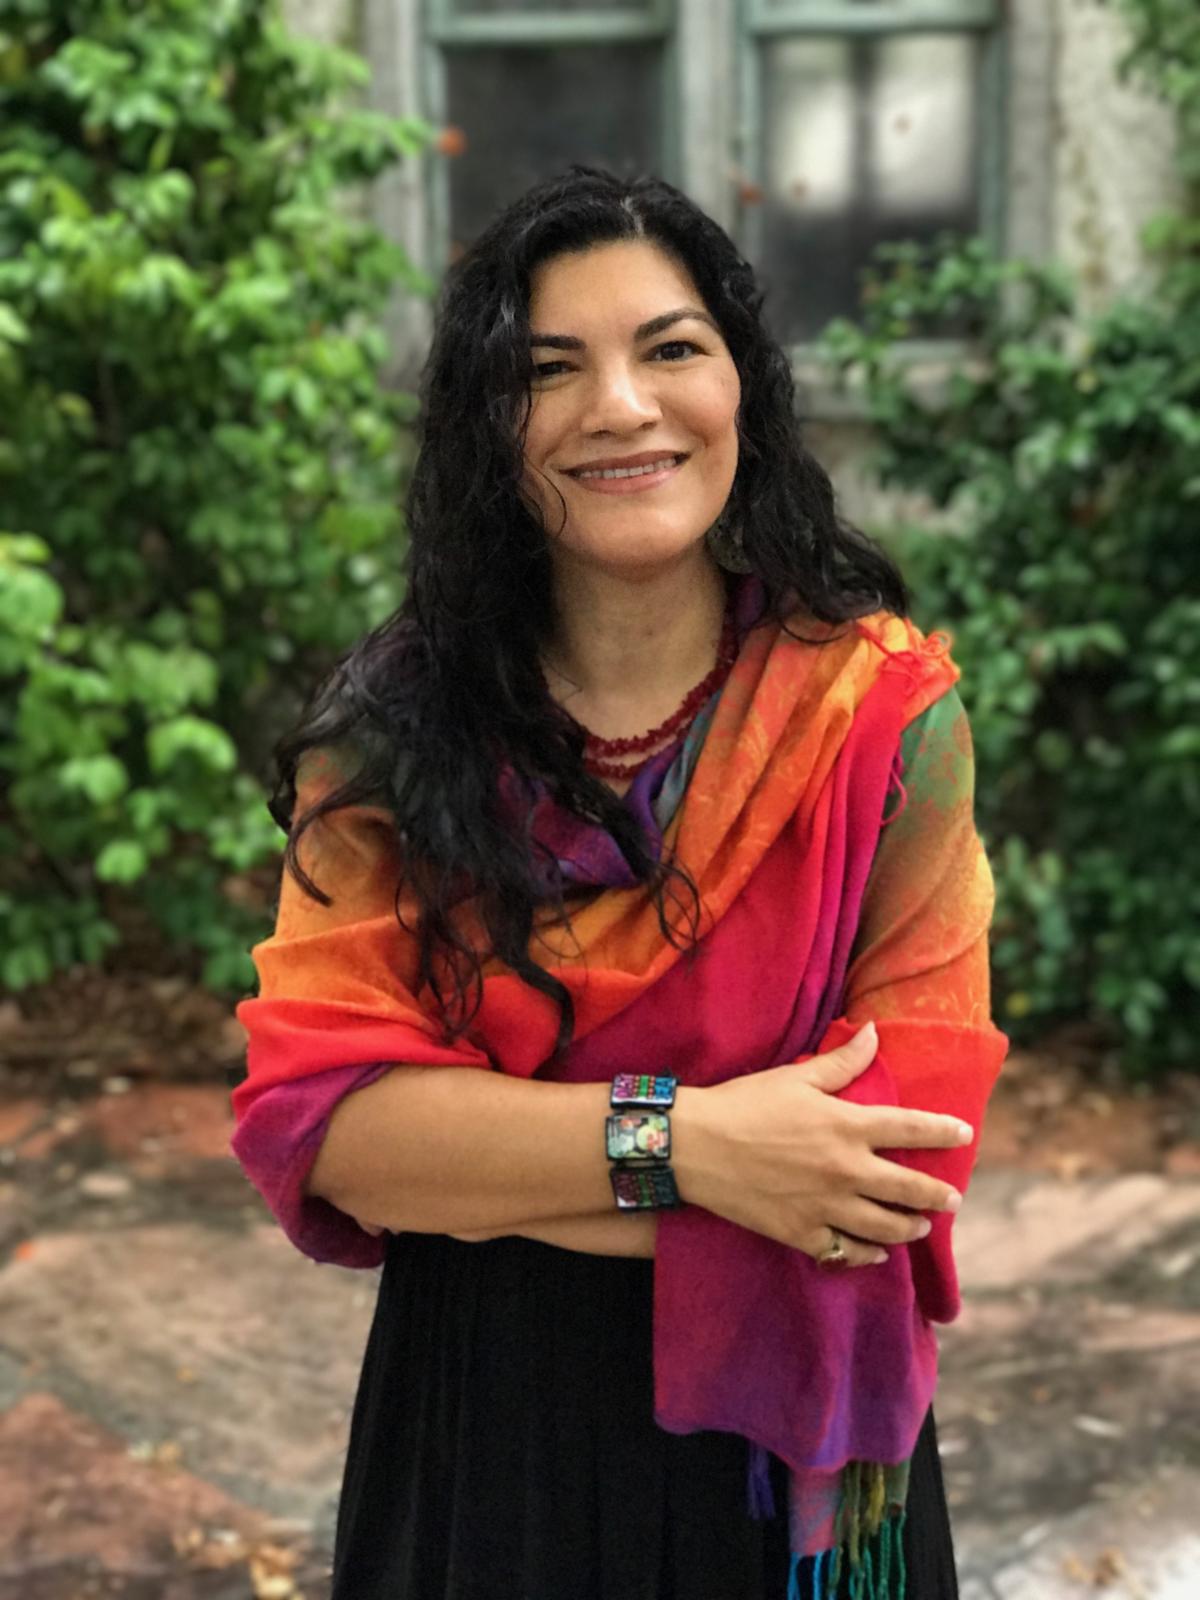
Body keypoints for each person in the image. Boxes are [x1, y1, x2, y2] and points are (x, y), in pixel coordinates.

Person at [231, 165, 1009, 1600]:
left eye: (670, 348)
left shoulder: (884, 724)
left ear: (739, 385)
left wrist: (483, 1169)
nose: (623, 406)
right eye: (550, 370)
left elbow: (895, 1170)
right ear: (489, 428)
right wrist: (701, 1146)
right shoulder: (396, 740)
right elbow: (325, 1125)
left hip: (803, 1458)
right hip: (489, 1438)